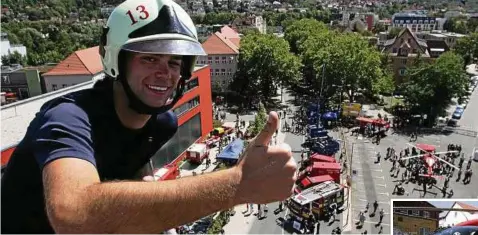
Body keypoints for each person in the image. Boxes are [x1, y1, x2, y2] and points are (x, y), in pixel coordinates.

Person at [0, 0, 297, 233]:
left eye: (174, 62)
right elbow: (74, 215)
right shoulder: (68, 119)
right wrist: (236, 185)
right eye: (149, 58)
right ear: (117, 60)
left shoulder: (162, 124)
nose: (164, 73)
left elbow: (131, 172)